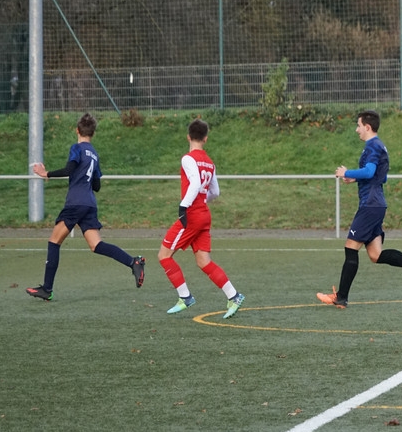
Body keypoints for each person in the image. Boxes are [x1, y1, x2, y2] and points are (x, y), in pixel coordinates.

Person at [316, 109, 402, 309]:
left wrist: (347, 172)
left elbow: (370, 172)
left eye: (358, 126)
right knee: (375, 255)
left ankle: (341, 297)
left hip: (370, 205)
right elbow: (381, 176)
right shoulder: (379, 146)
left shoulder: (372, 146)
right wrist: (355, 178)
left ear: (367, 127)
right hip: (376, 203)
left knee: (350, 248)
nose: (357, 130)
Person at [26, 112, 145, 301]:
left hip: (75, 203)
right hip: (89, 204)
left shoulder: (77, 148)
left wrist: (45, 173)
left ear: (77, 130)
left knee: (54, 242)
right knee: (96, 245)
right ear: (93, 133)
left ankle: (47, 289)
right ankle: (133, 262)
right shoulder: (94, 154)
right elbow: (96, 185)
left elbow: (69, 169)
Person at [158, 119, 244, 317]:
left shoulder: (188, 159)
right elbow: (215, 192)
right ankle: (234, 296)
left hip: (192, 215)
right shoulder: (209, 162)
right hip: (204, 214)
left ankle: (185, 296)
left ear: (188, 137)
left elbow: (195, 182)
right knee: (204, 261)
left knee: (164, 255)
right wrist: (201, 199)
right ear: (206, 138)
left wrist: (184, 206)